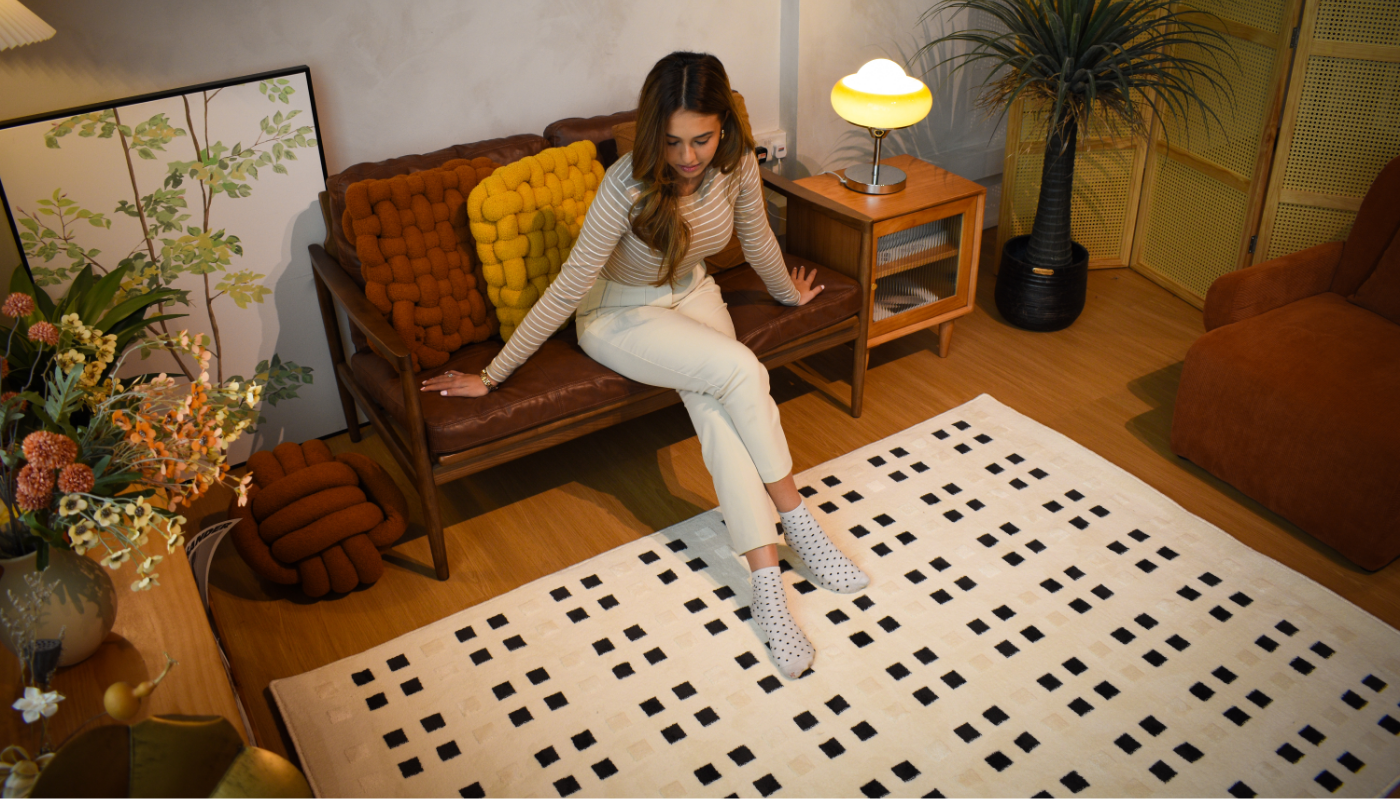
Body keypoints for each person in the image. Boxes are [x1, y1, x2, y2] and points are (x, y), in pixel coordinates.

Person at [422, 51, 867, 679]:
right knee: (739, 370)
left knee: (718, 415)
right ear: (655, 128)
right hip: (619, 314)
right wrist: (493, 373)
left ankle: (767, 586)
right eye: (675, 140)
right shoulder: (625, 184)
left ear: (723, 129)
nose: (688, 157)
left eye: (703, 139)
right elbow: (572, 282)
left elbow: (758, 233)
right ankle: (797, 518)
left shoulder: (736, 163)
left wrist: (787, 293)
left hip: (694, 291)